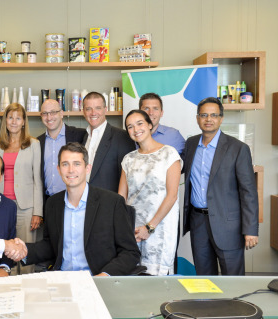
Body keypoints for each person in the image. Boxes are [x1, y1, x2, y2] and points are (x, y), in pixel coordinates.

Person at [12, 142, 141, 276]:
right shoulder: (53, 203)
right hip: (63, 278)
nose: (71, 170)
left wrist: (105, 275)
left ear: (87, 168)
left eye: (77, 164)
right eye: (65, 164)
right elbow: (51, 245)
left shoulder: (112, 203)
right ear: (58, 169)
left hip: (97, 279)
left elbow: (130, 253)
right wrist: (25, 249)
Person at [183, 97, 259, 275]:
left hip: (228, 225)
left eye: (214, 115)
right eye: (204, 115)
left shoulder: (238, 148)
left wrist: (250, 230)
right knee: (204, 279)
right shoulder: (191, 144)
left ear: (221, 118)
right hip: (198, 222)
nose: (208, 119)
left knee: (233, 279)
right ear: (197, 118)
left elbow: (248, 192)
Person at [118, 110, 182, 275]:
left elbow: (172, 195)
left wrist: (149, 227)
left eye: (140, 123)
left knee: (156, 278)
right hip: (133, 229)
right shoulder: (128, 159)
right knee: (133, 274)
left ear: (149, 125)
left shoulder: (169, 153)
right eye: (130, 127)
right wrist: (124, 228)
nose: (136, 129)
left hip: (159, 227)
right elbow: (121, 197)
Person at [0, 103, 43, 244]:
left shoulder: (33, 144)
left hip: (26, 207)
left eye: (18, 118)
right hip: (1, 204)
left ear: (23, 122)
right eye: (10, 118)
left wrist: (37, 212)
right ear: (5, 121)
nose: (14, 122)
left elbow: (37, 180)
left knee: (25, 249)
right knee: (5, 248)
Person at [82, 92, 135, 192]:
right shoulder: (83, 137)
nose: (93, 113)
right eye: (88, 109)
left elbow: (129, 178)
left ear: (105, 110)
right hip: (84, 200)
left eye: (98, 108)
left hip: (110, 201)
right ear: (83, 112)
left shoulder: (122, 137)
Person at [37, 99, 86, 205]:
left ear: (61, 113)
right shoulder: (37, 142)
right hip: (48, 202)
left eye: (53, 112)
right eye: (45, 113)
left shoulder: (80, 135)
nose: (49, 117)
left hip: (75, 200)